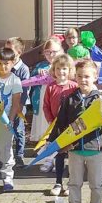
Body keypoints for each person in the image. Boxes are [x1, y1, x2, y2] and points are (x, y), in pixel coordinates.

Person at [49, 60, 102, 203]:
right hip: (74, 150)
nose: (83, 80)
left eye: (87, 76)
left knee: (96, 185)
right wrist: (57, 143)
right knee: (74, 184)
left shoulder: (101, 98)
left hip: (95, 149)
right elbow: (61, 123)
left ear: (95, 77)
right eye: (79, 76)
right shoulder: (69, 99)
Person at [0, 47, 23, 191]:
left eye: (6, 63)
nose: (3, 67)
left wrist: (10, 120)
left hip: (5, 121)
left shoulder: (15, 80)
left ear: (12, 63)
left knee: (6, 150)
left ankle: (7, 176)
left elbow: (16, 103)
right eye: (0, 63)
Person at [42, 54, 78, 195]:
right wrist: (51, 121)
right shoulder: (51, 87)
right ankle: (58, 182)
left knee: (72, 155)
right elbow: (46, 106)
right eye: (58, 68)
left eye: (64, 69)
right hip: (57, 127)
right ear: (54, 70)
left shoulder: (74, 86)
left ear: (69, 70)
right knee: (59, 154)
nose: (61, 71)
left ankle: (71, 182)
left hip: (71, 127)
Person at [31, 38, 64, 171]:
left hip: (59, 103)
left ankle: (58, 160)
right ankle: (48, 159)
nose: (51, 55)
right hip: (44, 103)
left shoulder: (64, 65)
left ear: (61, 51)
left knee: (59, 131)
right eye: (48, 52)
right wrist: (39, 73)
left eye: (54, 51)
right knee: (46, 131)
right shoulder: (41, 66)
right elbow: (31, 78)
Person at [5, 37, 30, 168]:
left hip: (19, 104)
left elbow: (25, 88)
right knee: (7, 128)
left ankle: (19, 155)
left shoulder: (23, 69)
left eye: (10, 51)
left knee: (19, 129)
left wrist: (20, 105)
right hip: (7, 103)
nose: (7, 53)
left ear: (19, 52)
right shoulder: (5, 66)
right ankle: (6, 154)